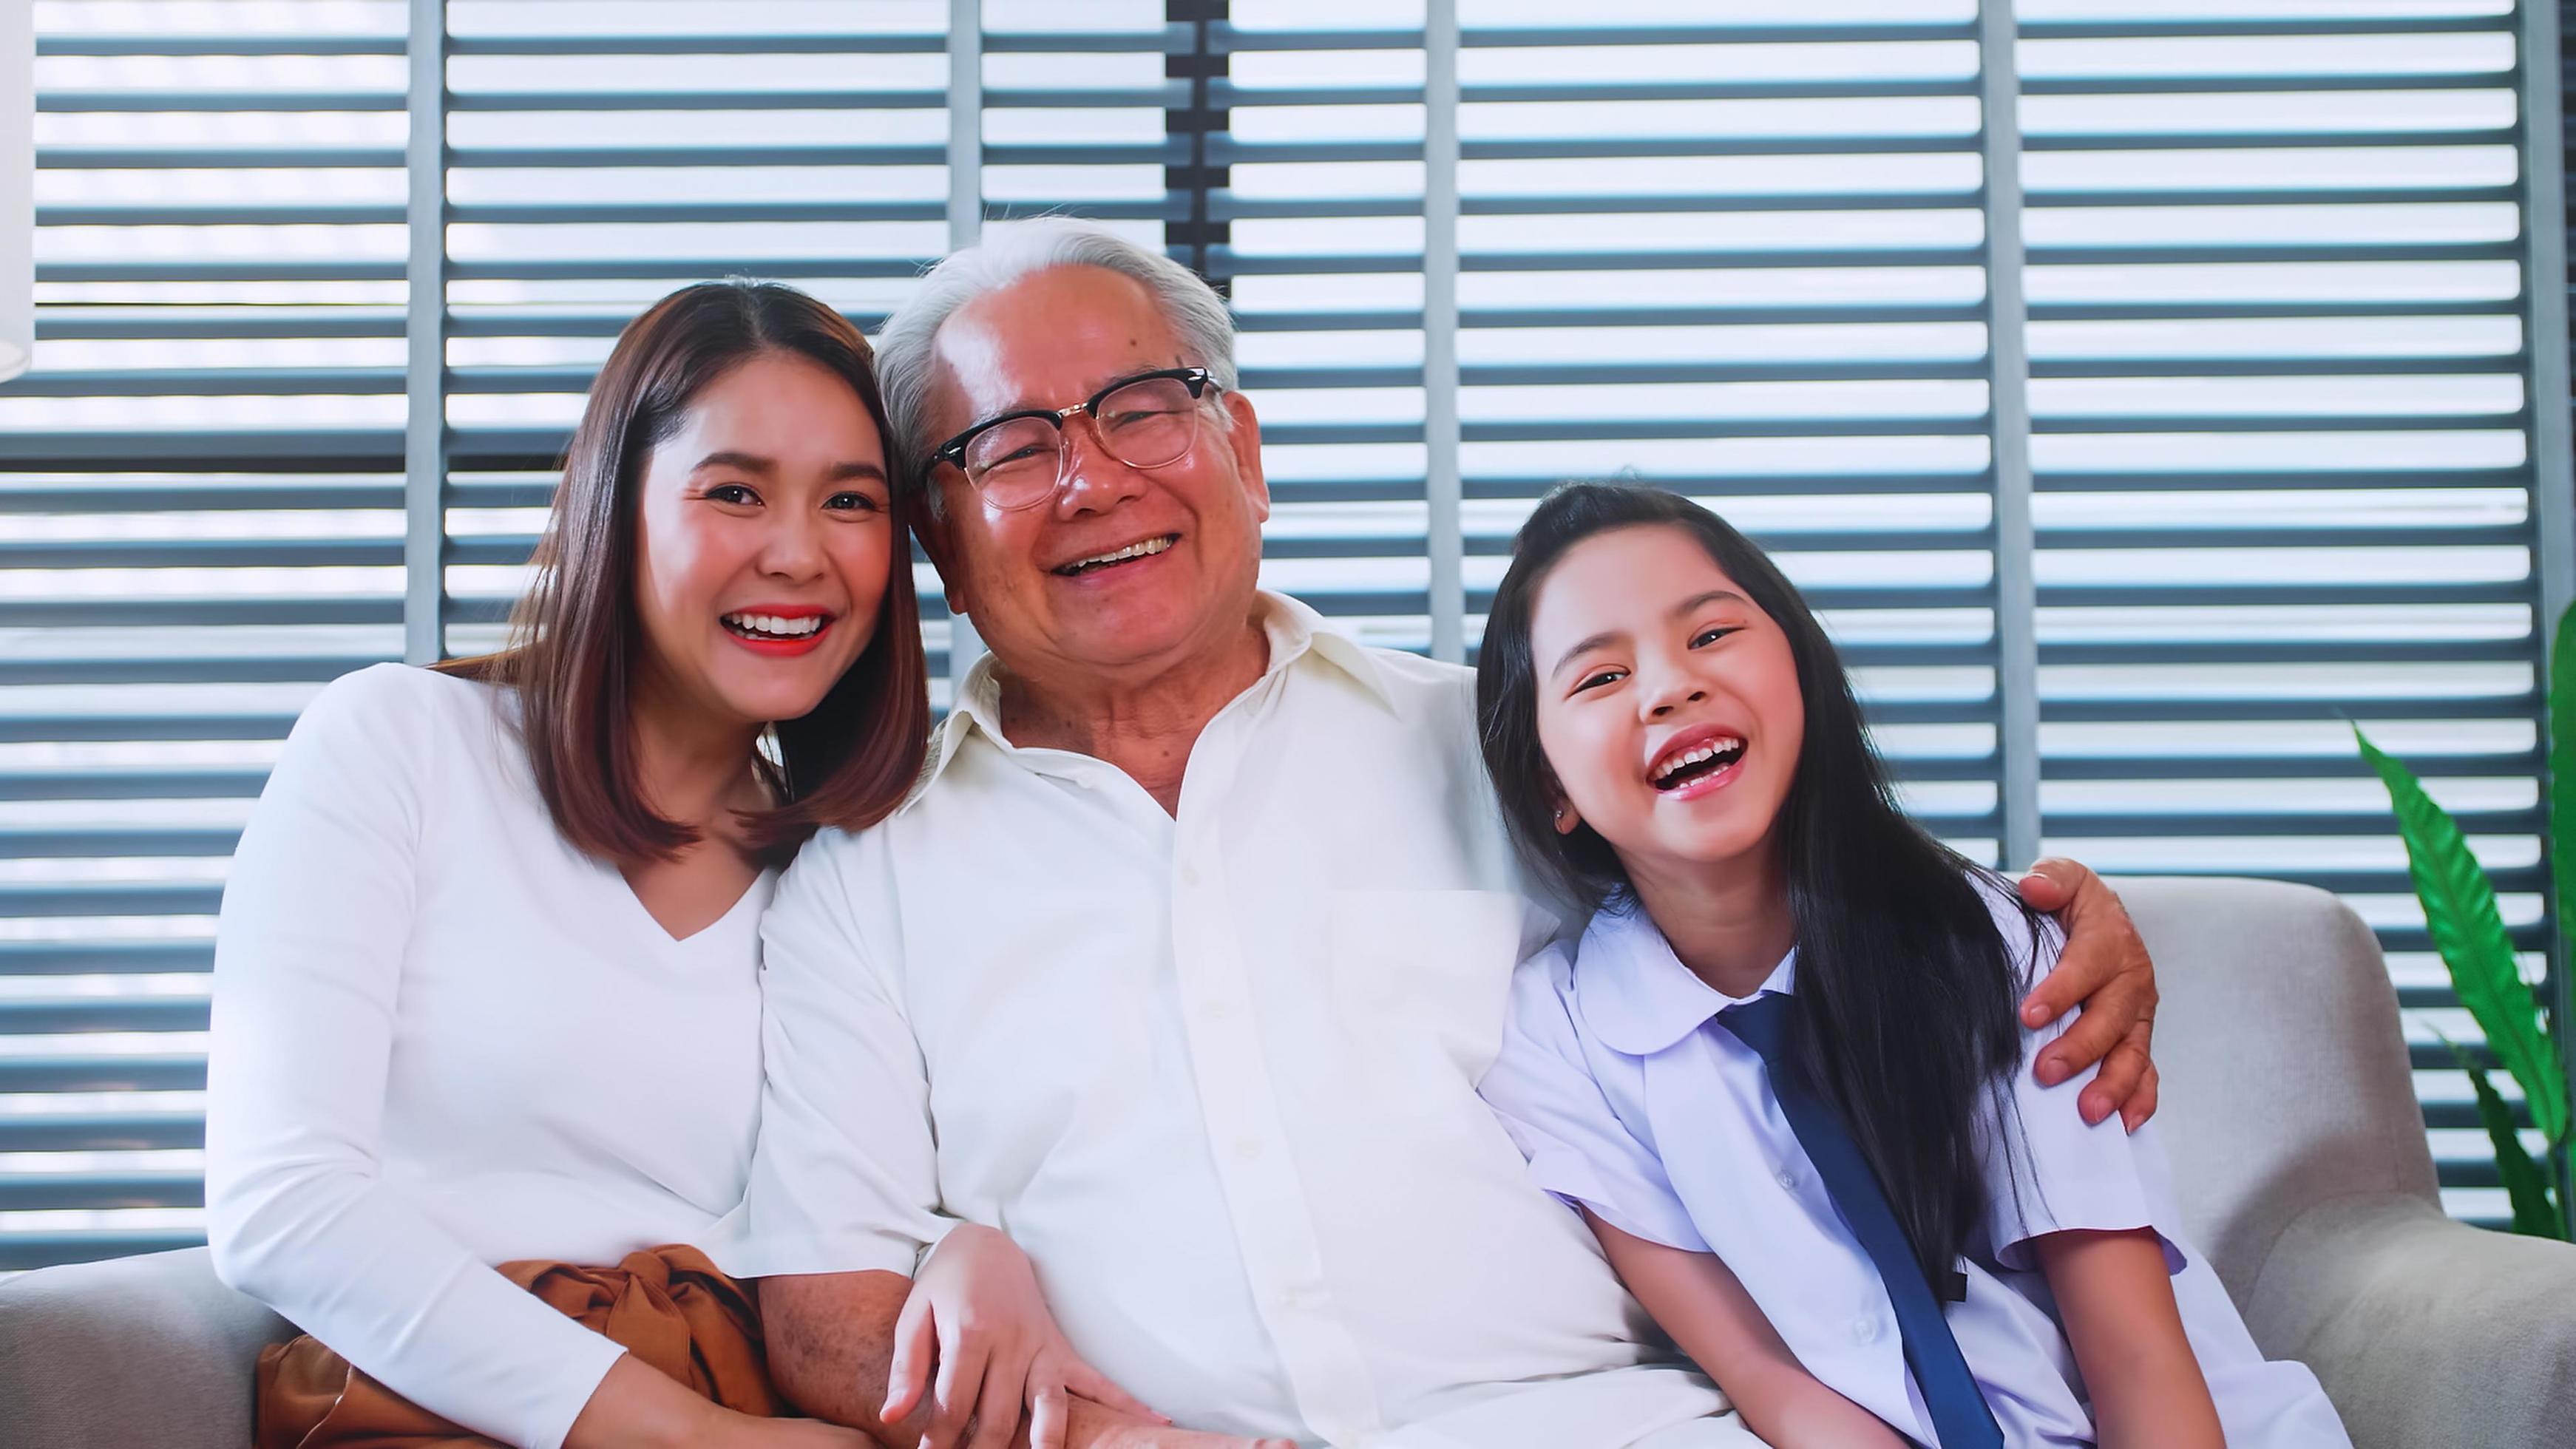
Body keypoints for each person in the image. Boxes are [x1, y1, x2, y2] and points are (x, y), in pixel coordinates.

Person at [713, 221, 2166, 1448]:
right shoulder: (865, 880)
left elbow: (1826, 911)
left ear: (1241, 447)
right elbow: (829, 1326)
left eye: (1141, 407)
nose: (1091, 477)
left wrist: (2067, 924)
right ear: (937, 537)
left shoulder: (1516, 743)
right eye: (1010, 447)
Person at [204, 281, 1138, 1449]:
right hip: (447, 1406)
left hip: (775, 1400)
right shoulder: (398, 746)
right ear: (617, 508)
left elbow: (866, 1198)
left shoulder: (860, 862)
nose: (799, 555)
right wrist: (691, 1438)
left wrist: (963, 1246)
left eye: (850, 503)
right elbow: (280, 1206)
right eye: (734, 492)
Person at [1471, 483, 2350, 1448]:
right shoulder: (1557, 1046)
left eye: (1712, 635)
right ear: (1550, 783)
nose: (1669, 686)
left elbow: (2138, 1357)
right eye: (1598, 677)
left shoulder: (1994, 944)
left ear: (1799, 672)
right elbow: (1768, 1377)